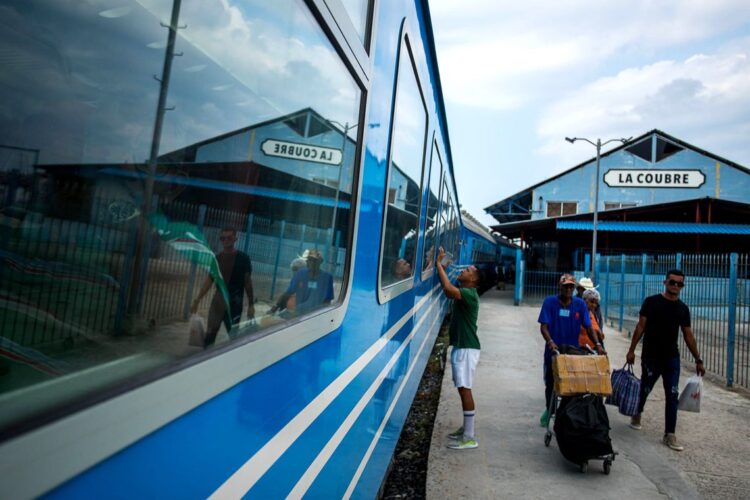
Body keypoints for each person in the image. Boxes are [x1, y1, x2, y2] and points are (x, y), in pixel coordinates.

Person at [626, 269, 705, 451]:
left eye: (679, 284)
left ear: (683, 286)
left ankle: (670, 434)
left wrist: (698, 359)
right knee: (645, 388)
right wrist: (631, 350)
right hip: (651, 357)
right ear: (665, 282)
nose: (676, 286)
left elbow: (688, 335)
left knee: (672, 395)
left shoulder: (683, 309)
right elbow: (640, 326)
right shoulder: (651, 302)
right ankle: (637, 413)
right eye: (672, 282)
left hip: (671, 358)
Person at [538, 274, 604, 427]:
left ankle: (565, 414)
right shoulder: (550, 302)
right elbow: (544, 326)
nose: (568, 289)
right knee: (551, 383)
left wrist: (598, 344)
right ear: (559, 286)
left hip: (572, 352)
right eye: (565, 286)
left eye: (571, 287)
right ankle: (550, 410)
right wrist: (550, 342)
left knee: (572, 385)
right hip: (554, 352)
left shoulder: (580, 305)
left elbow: (588, 327)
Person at [436, 246, 483, 450]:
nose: (463, 271)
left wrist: (439, 264)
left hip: (467, 348)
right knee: (462, 388)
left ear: (472, 280)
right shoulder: (464, 292)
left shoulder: (470, 294)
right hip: (462, 347)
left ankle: (470, 436)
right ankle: (465, 430)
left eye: (467, 272)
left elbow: (448, 290)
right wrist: (442, 267)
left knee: (465, 390)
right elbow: (449, 292)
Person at [191, 227, 254, 347]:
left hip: (234, 304)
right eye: (222, 238)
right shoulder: (217, 259)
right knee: (209, 337)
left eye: (229, 238)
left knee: (233, 338)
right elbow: (209, 280)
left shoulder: (243, 258)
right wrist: (197, 300)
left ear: (235, 238)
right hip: (218, 303)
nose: (225, 240)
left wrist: (251, 305)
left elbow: (248, 283)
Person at [271, 249, 333, 316]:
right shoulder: (301, 274)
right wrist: (274, 307)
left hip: (315, 314)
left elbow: (327, 301)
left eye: (314, 260)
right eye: (309, 259)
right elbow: (288, 293)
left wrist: (323, 315)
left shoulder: (327, 277)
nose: (311, 262)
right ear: (307, 261)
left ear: (320, 262)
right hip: (298, 312)